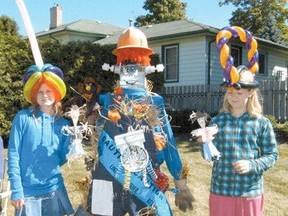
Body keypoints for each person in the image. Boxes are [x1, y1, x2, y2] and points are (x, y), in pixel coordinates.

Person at [87, 27, 194, 216]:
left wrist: (180, 184)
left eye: (134, 63)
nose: (131, 69)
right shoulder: (106, 101)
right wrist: (181, 185)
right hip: (125, 180)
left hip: (137, 181)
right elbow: (169, 148)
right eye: (128, 63)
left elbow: (168, 146)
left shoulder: (151, 103)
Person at [198, 65, 278, 216]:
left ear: (251, 92)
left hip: (250, 191)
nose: (234, 97)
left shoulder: (261, 123)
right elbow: (210, 156)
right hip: (221, 190)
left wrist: (252, 164)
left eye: (239, 93)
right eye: (230, 92)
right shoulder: (217, 122)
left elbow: (272, 155)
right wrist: (204, 142)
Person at [8, 64, 74, 216]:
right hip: (27, 190)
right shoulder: (23, 118)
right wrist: (17, 190)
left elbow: (62, 160)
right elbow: (13, 154)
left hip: (54, 187)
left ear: (56, 92)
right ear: (33, 95)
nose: (45, 95)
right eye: (40, 92)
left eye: (49, 90)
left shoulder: (64, 124)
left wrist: (72, 143)